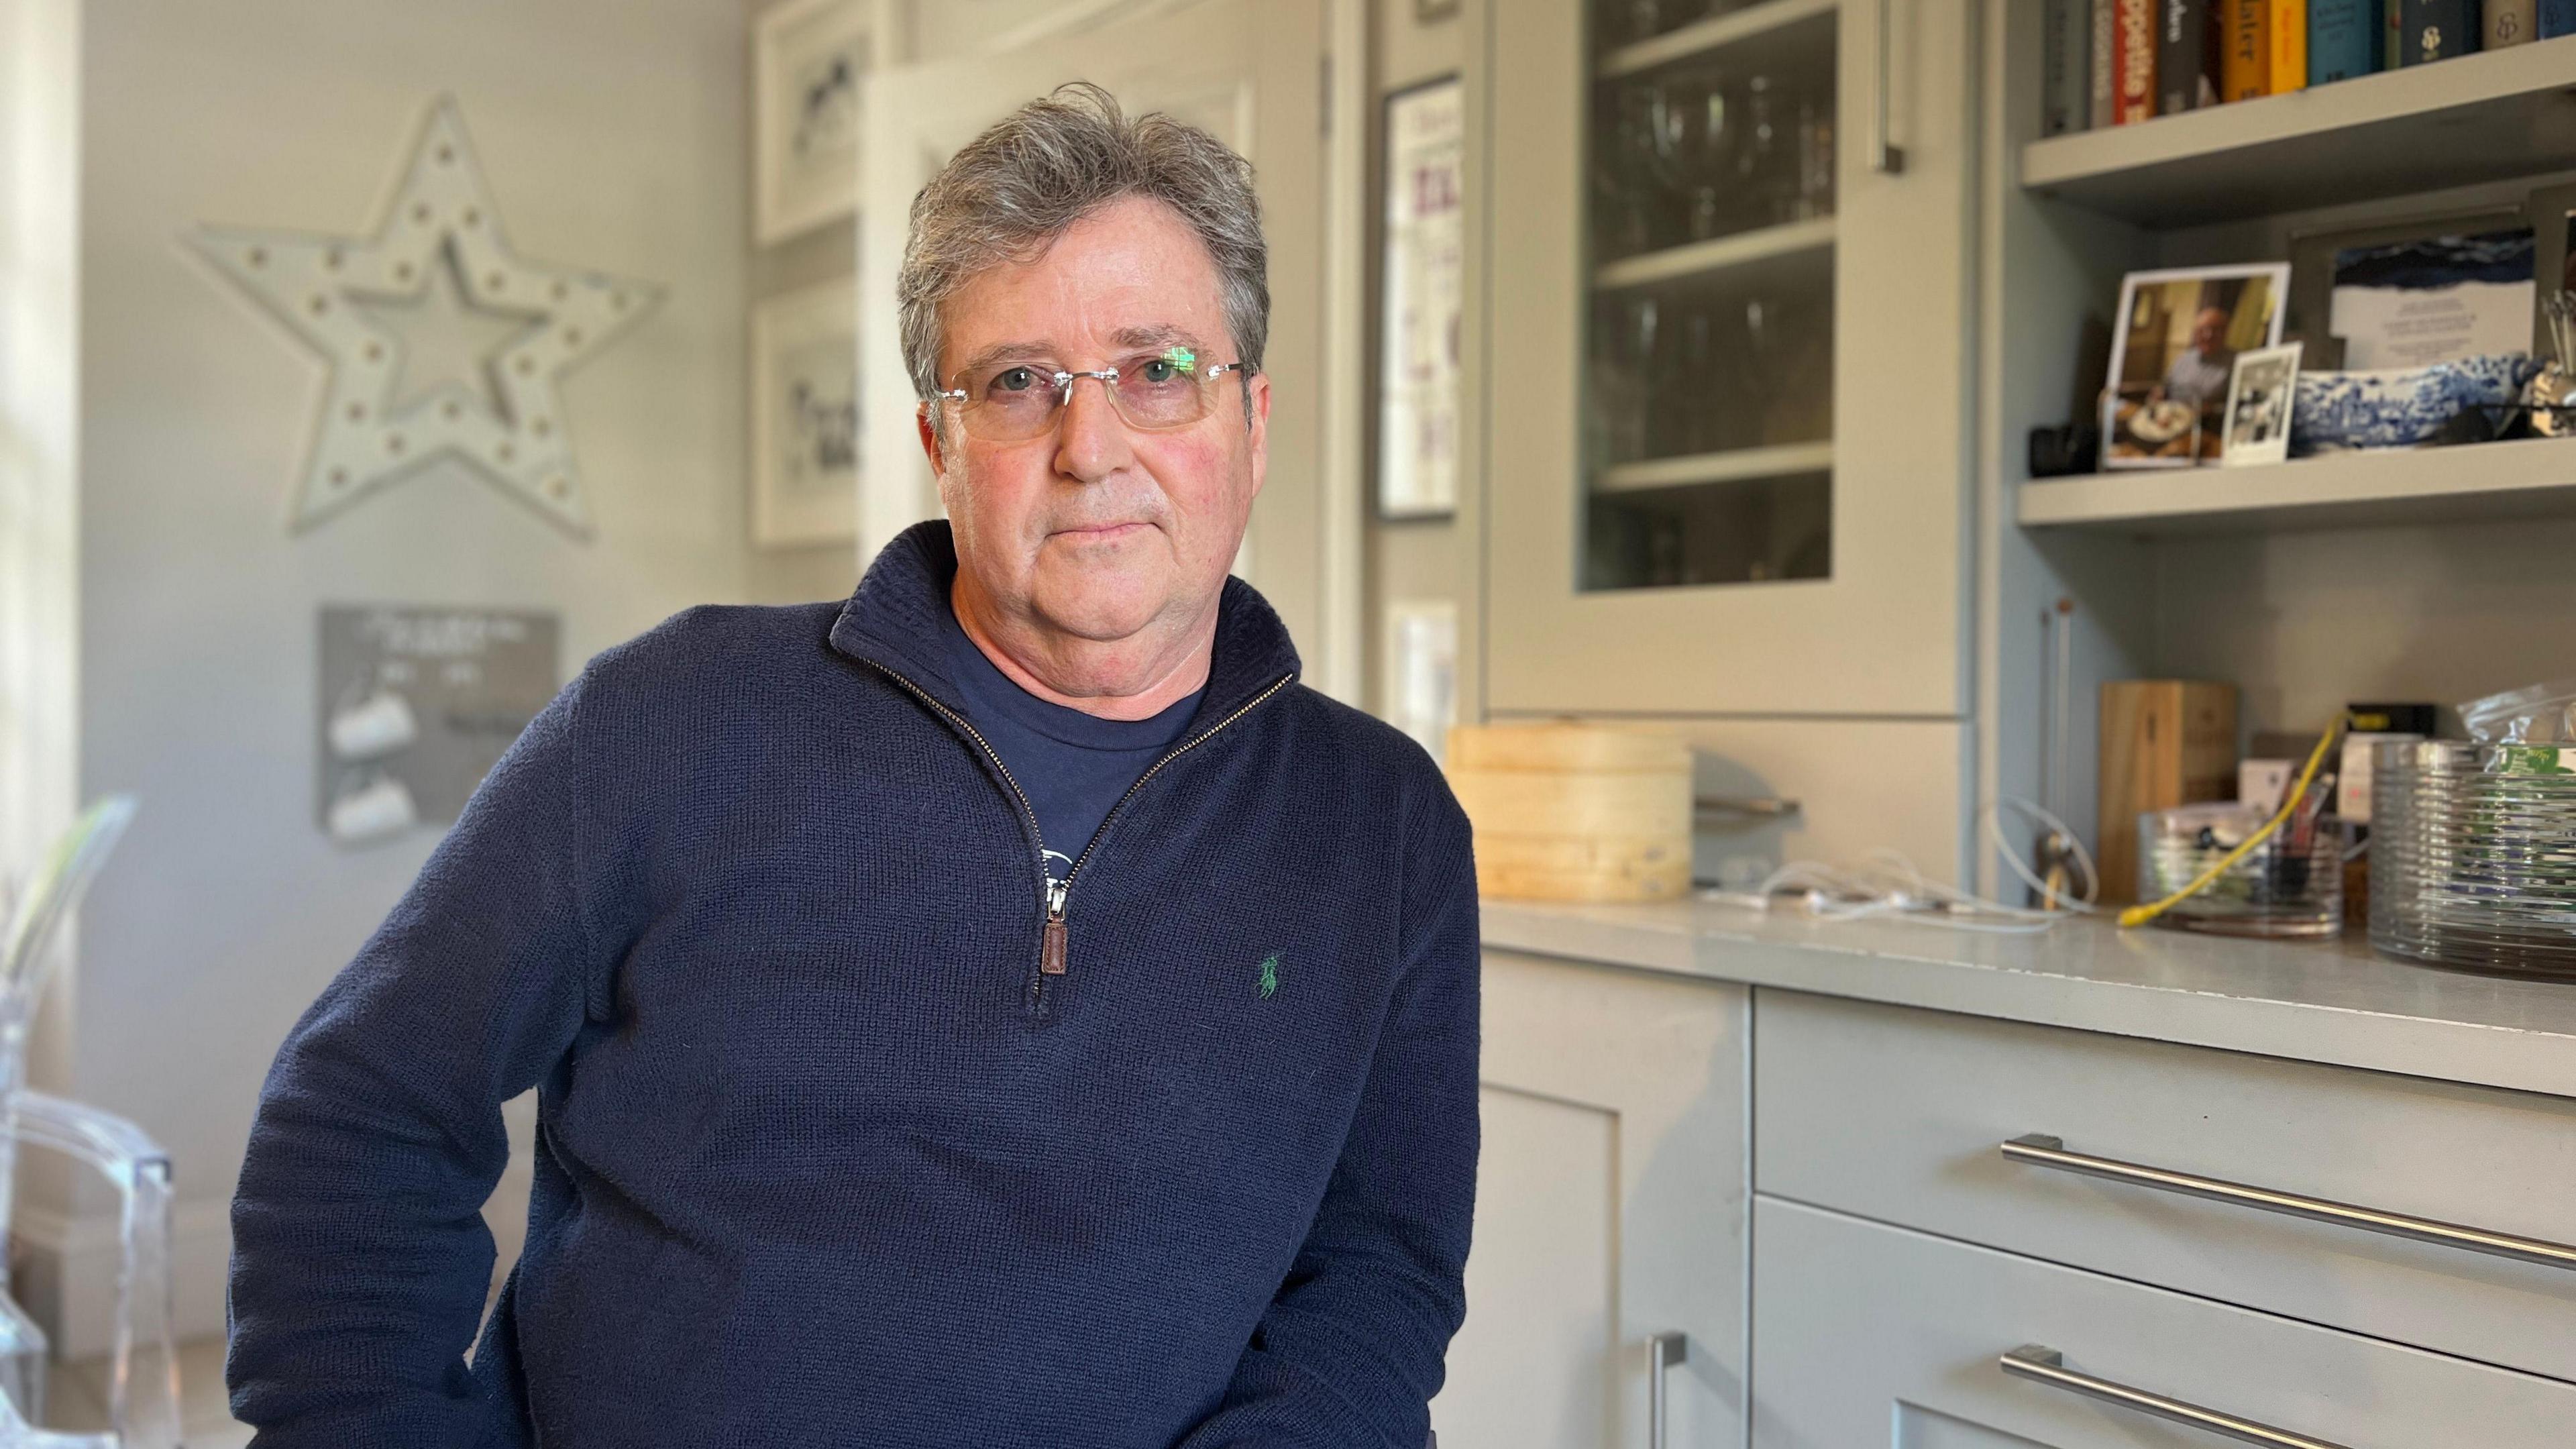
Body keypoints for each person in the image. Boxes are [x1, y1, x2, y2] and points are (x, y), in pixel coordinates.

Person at [225, 83, 1481, 1449]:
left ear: (1251, 419)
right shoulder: (672, 718)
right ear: (942, 446)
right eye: (1018, 383)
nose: (1091, 446)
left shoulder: (1384, 823)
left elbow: (1378, 1275)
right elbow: (364, 1108)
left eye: (1157, 370)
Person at [2160, 303, 2236, 409]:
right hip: (2172, 418)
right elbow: (2166, 386)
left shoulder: (2236, 363)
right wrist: (2160, 393)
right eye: (2202, 330)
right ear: (2195, 333)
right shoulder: (2184, 358)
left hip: (2208, 422)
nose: (2208, 335)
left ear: (2225, 332)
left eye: (2215, 330)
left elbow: (2237, 405)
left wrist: (2212, 409)